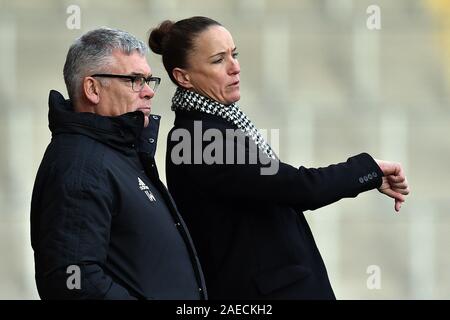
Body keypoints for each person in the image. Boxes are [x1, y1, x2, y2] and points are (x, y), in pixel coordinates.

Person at [147, 16, 410, 300]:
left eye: (234, 55)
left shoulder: (213, 127)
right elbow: (299, 187)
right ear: (183, 77)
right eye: (218, 60)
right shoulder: (199, 139)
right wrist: (368, 170)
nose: (235, 67)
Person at [30, 27, 207, 300]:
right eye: (135, 80)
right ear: (92, 88)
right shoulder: (81, 165)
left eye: (149, 80)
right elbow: (73, 282)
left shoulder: (117, 155)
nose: (149, 92)